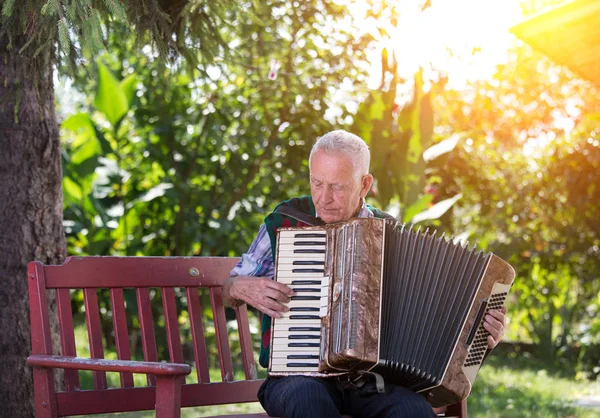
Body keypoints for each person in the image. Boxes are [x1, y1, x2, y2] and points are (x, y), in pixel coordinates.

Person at [223, 130, 507, 418]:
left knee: (412, 411)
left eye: (338, 187)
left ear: (364, 184)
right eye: (316, 183)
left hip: (370, 383)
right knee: (308, 400)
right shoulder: (286, 220)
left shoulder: (388, 235)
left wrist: (481, 333)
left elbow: (430, 316)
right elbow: (229, 287)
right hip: (297, 379)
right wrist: (238, 288)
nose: (324, 198)